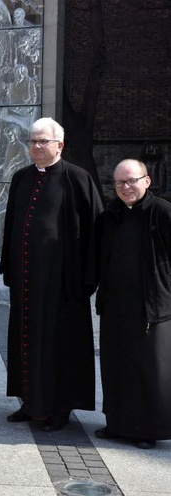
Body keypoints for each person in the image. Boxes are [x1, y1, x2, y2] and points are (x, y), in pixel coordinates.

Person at [0, 117, 103, 431]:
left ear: (60, 144)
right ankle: (30, 403)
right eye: (32, 141)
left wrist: (87, 278)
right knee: (26, 340)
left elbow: (96, 231)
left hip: (62, 284)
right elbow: (11, 226)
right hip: (27, 280)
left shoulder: (78, 178)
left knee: (60, 346)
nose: (36, 146)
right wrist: (8, 267)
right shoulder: (21, 178)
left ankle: (60, 407)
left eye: (43, 141)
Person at [94, 159, 171, 449]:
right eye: (119, 183)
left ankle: (146, 429)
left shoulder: (161, 212)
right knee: (115, 367)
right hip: (115, 305)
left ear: (146, 181)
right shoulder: (110, 215)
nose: (126, 188)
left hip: (151, 307)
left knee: (147, 371)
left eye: (132, 181)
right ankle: (117, 424)